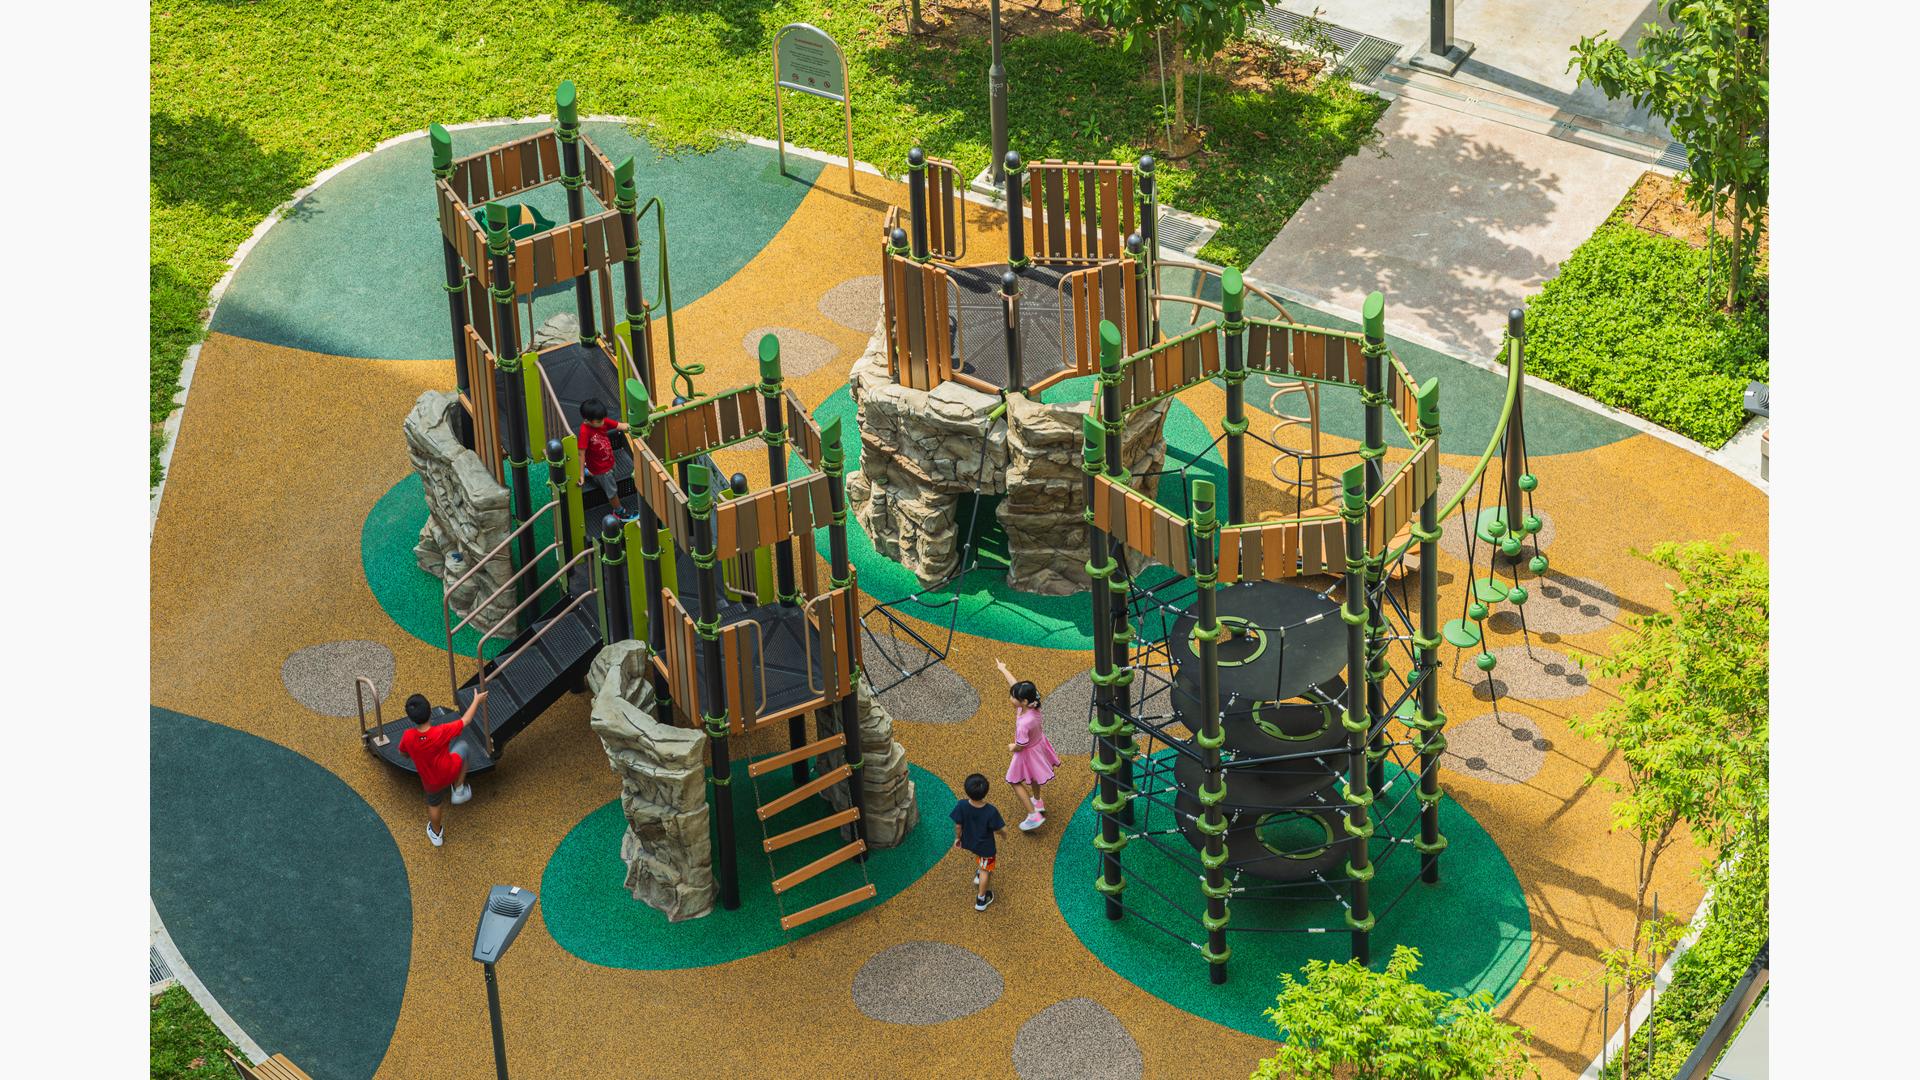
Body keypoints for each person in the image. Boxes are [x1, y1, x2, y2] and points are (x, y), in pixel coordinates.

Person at [398, 690, 486, 847]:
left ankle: (437, 834)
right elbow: (465, 720)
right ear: (430, 711)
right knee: (463, 747)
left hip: (431, 781)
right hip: (449, 771)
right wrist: (477, 701)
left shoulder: (408, 736)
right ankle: (458, 789)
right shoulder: (441, 731)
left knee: (434, 804)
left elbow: (403, 753)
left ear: (410, 718)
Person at [996, 659, 1061, 832]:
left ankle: (1033, 815)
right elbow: (1015, 684)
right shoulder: (1032, 707)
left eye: (1013, 697)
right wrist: (1003, 669)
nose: (1010, 698)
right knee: (1032, 777)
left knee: (1013, 780)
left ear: (1023, 701)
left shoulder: (1025, 722)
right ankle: (1037, 800)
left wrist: (1012, 747)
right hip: (1038, 746)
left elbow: (1020, 745)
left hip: (1026, 752)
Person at [950, 773, 1006, 912]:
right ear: (986, 792)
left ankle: (978, 875)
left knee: (981, 862)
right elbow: (1000, 829)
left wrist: (958, 838)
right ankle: (981, 899)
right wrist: (1004, 834)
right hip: (985, 847)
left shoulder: (962, 805)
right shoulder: (990, 811)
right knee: (986, 870)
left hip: (969, 841)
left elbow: (958, 825)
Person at [578, 398, 634, 520]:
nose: (603, 423)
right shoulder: (584, 431)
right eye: (599, 421)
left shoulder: (601, 420)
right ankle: (619, 512)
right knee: (612, 491)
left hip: (609, 461)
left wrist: (635, 427)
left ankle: (591, 473)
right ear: (587, 421)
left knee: (607, 477)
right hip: (602, 470)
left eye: (603, 419)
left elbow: (620, 426)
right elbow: (581, 454)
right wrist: (581, 474)